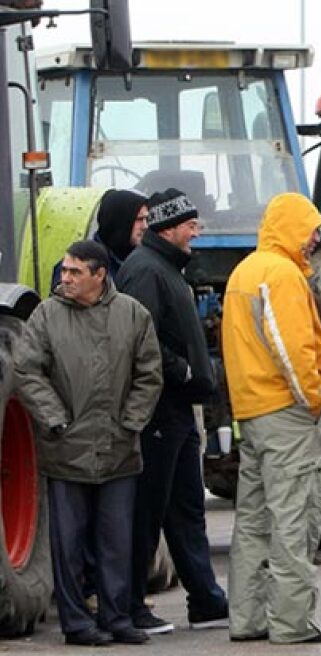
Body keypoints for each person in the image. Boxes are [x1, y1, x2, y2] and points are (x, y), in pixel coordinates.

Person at [15, 240, 163, 646]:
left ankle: (117, 618)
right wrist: (56, 421)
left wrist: (131, 422)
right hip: (66, 449)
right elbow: (26, 370)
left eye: (75, 272)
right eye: (64, 270)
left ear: (100, 275)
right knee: (69, 544)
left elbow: (150, 374)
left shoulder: (132, 315)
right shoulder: (46, 316)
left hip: (119, 449)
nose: (65, 278)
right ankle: (77, 624)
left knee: (117, 541)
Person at [222, 193, 321, 644]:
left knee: (252, 518)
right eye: (310, 230)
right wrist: (315, 400)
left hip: (251, 412)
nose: (314, 240)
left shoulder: (244, 273)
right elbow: (293, 350)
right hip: (286, 413)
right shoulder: (282, 275)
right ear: (292, 227)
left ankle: (246, 618)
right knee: (295, 516)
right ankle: (292, 622)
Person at [114, 189, 229, 634]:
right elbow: (139, 339)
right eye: (191, 225)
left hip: (178, 410)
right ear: (170, 226)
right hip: (158, 410)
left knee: (186, 509)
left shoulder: (167, 269)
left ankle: (205, 601)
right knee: (148, 509)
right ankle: (129, 605)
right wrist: (181, 371)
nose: (197, 233)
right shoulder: (146, 271)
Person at [51, 189, 148, 287]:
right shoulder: (77, 264)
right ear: (120, 221)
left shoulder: (143, 261)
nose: (145, 226)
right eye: (139, 219)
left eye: (146, 219)